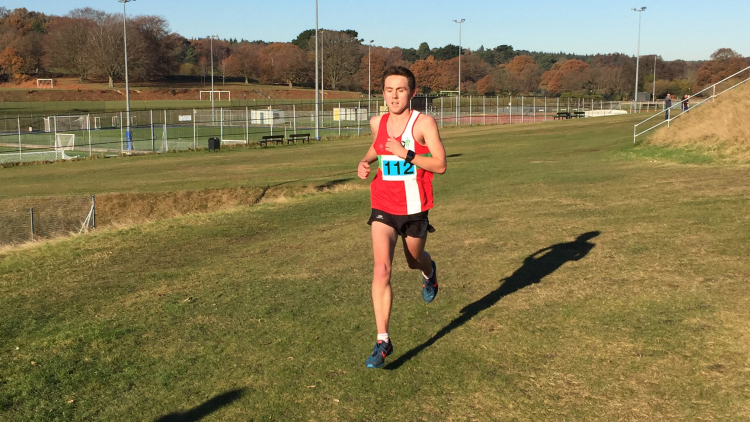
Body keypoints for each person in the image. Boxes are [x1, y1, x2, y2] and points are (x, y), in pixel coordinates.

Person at [357, 66, 447, 369]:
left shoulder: (423, 123)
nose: (394, 96)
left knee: (413, 260)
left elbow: (440, 164)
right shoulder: (377, 121)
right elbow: (377, 146)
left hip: (415, 207)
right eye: (388, 90)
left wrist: (406, 153)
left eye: (401, 90)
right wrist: (365, 161)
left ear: (412, 92)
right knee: (382, 269)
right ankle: (383, 340)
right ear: (382, 93)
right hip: (383, 204)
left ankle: (429, 270)